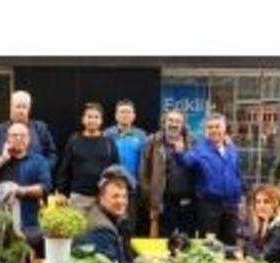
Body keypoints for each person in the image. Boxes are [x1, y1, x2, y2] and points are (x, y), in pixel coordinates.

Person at [0, 121, 52, 254]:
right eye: (14, 135)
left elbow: (45, 188)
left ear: (29, 139)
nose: (18, 138)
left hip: (26, 223)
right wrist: (3, 158)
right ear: (7, 138)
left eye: (23, 135)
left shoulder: (39, 161)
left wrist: (21, 191)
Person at [179, 113, 243, 246]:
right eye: (210, 127)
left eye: (217, 127)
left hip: (231, 205)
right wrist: (179, 152)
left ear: (224, 129)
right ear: (206, 131)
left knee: (231, 242)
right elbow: (186, 162)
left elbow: (237, 172)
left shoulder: (231, 149)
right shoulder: (199, 149)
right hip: (209, 206)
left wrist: (241, 195)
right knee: (210, 245)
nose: (214, 130)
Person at [140, 108, 197, 238]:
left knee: (186, 241)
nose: (174, 124)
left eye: (178, 121)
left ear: (183, 125)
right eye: (170, 120)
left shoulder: (192, 143)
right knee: (163, 241)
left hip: (188, 203)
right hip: (164, 203)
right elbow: (144, 173)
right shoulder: (153, 142)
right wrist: (150, 200)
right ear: (163, 122)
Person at [56, 103, 120, 214]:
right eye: (89, 117)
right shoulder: (74, 140)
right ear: (83, 119)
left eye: (96, 117)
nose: (93, 120)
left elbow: (116, 169)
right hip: (78, 197)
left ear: (101, 120)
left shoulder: (109, 142)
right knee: (78, 231)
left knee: (101, 230)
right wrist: (61, 192)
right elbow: (65, 168)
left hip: (103, 196)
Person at [73, 165, 133, 263]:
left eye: (124, 196)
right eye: (115, 196)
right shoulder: (102, 230)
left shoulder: (96, 211)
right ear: (101, 197)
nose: (121, 201)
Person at [0, 90, 58, 172]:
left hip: (34, 178)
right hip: (5, 178)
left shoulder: (40, 128)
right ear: (11, 108)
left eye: (24, 107)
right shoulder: (1, 130)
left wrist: (44, 168)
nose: (21, 111)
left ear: (29, 109)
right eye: (18, 107)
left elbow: (52, 154)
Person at [104, 99, 149, 182]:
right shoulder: (107, 134)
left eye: (128, 112)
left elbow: (147, 161)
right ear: (116, 115)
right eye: (122, 112)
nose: (125, 115)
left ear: (134, 116)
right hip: (113, 182)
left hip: (135, 183)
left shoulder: (142, 135)